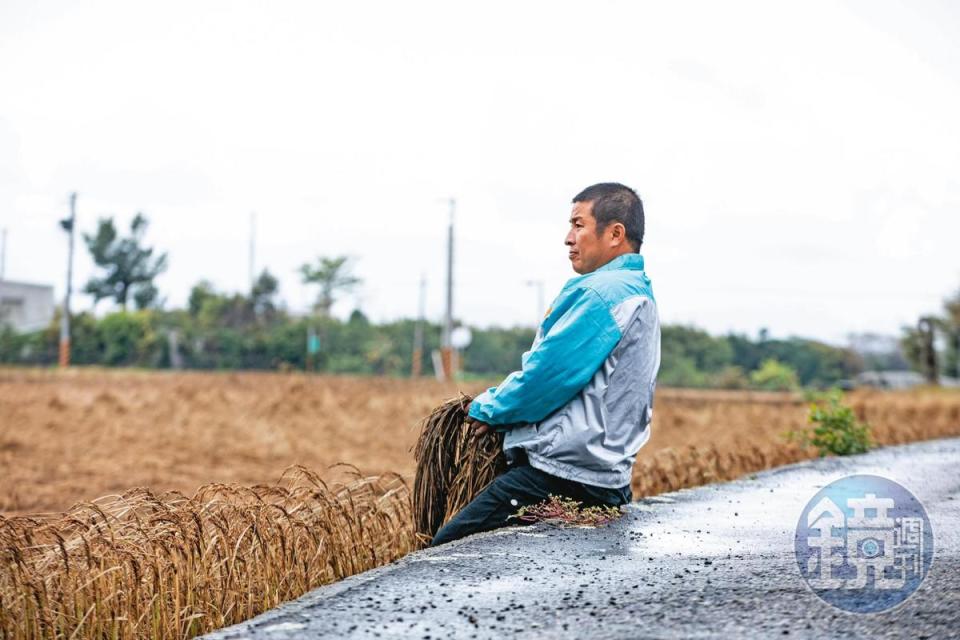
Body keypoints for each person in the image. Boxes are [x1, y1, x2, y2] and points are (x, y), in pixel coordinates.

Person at [431, 182, 661, 546]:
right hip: (608, 481)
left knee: (442, 554)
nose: (569, 238)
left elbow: (547, 377)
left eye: (578, 225)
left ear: (615, 233)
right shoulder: (637, 291)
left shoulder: (600, 294)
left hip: (562, 477)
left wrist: (487, 409)